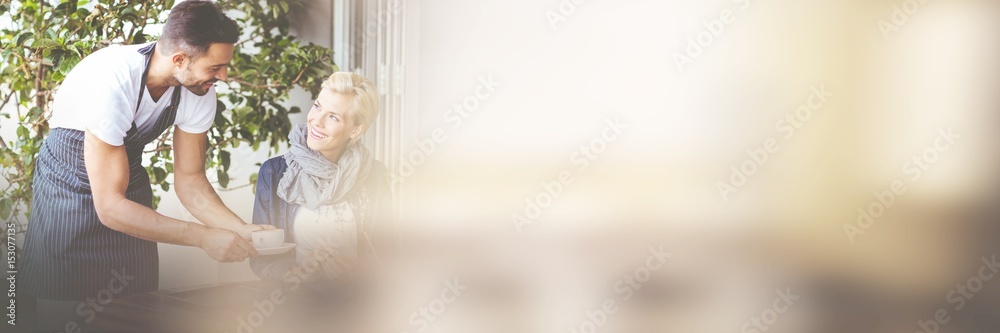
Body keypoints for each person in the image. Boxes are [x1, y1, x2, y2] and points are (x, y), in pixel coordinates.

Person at [18, 1, 272, 323]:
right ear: (179, 59)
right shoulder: (111, 81)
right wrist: (203, 237)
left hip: (127, 188)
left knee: (136, 311)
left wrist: (241, 229)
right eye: (214, 68)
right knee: (65, 315)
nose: (223, 76)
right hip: (68, 191)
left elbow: (190, 181)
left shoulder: (198, 90)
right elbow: (109, 206)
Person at [250, 72, 392, 284]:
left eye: (333, 117)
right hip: (291, 305)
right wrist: (292, 274)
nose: (316, 122)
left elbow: (389, 255)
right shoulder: (274, 173)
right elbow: (261, 256)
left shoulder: (374, 177)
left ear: (355, 130)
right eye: (317, 107)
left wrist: (358, 271)